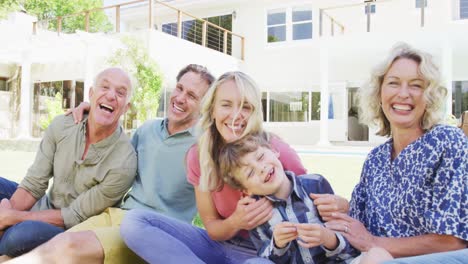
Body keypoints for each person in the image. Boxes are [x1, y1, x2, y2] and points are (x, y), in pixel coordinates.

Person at [120, 71, 349, 263]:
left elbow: (312, 204)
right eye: (226, 105)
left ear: (256, 112)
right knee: (135, 223)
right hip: (220, 245)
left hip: (266, 252)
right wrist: (237, 221)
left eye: (245, 107)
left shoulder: (274, 152)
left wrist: (340, 204)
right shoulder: (200, 155)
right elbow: (211, 225)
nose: (236, 115)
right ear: (212, 110)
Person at [6, 64, 215, 264]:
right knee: (55, 245)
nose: (180, 98)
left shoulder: (206, 146)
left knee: (57, 243)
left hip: (154, 229)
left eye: (192, 96)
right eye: (179, 88)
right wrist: (92, 109)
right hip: (117, 216)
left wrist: (13, 217)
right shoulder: (148, 130)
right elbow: (111, 136)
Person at [324, 43, 467, 261]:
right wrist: (338, 209)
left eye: (416, 85)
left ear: (429, 96)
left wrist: (374, 243)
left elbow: (453, 241)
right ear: (379, 93)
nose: (403, 94)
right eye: (393, 83)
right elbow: (356, 229)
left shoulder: (447, 142)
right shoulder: (375, 160)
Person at [0, 68, 137, 259]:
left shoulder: (125, 163)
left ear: (126, 108)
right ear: (91, 94)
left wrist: (13, 217)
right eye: (104, 87)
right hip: (44, 207)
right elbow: (34, 182)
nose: (111, 95)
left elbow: (74, 216)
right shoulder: (63, 125)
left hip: (71, 231)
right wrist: (5, 215)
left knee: (18, 236)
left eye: (120, 92)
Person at [218, 134, 362, 263]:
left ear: (274, 151)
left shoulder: (316, 185)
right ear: (246, 190)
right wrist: (278, 245)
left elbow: (350, 244)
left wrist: (328, 238)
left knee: (371, 256)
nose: (261, 168)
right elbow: (265, 259)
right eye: (250, 173)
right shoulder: (256, 214)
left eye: (261, 157)